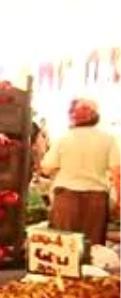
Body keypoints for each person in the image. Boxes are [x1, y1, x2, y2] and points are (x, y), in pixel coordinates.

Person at [41, 98, 121, 246]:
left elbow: (46, 168)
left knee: (65, 247)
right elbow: (117, 172)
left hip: (66, 198)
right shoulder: (108, 139)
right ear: (96, 117)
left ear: (75, 117)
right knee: (92, 246)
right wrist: (119, 202)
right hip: (96, 199)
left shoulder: (63, 139)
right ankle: (89, 269)